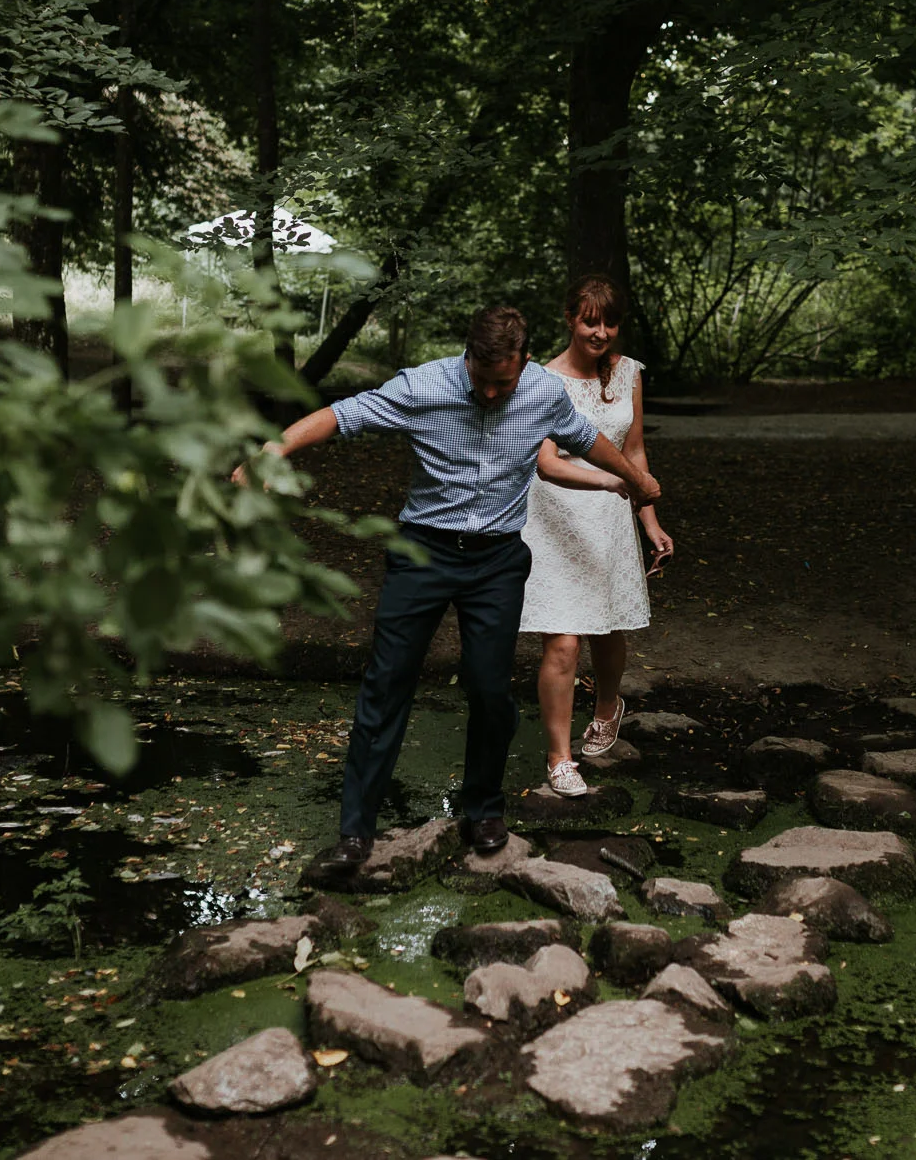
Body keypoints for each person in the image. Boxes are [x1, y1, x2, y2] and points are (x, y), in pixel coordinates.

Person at [232, 305, 660, 867]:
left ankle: (482, 810)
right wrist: (273, 451)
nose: (488, 394)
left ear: (524, 362)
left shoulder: (542, 391)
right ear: (467, 358)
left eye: (501, 383)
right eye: (480, 380)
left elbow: (585, 439)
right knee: (387, 686)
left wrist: (635, 478)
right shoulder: (424, 386)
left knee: (489, 690)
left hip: (498, 562)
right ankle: (356, 831)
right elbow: (342, 414)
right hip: (424, 554)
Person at [520, 275, 673, 798]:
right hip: (555, 519)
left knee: (608, 630)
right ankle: (559, 757)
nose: (600, 331)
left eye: (609, 322)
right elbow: (544, 463)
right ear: (569, 318)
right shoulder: (542, 380)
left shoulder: (629, 373)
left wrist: (649, 522)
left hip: (610, 520)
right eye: (590, 320)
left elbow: (634, 453)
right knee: (563, 643)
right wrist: (613, 483)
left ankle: (609, 706)